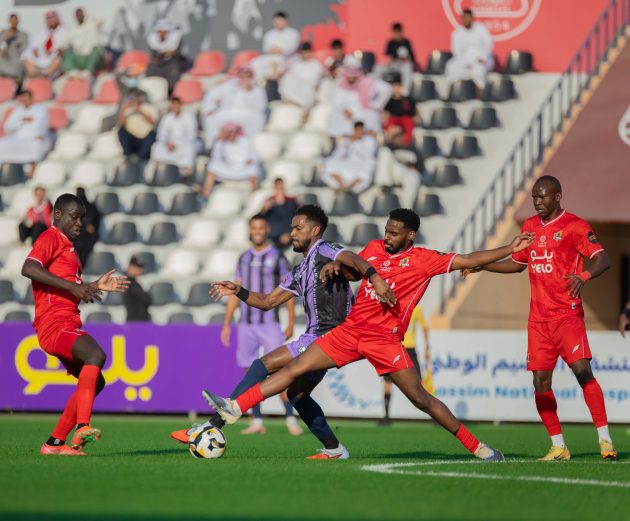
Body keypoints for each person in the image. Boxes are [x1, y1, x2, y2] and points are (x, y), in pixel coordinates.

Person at [204, 208, 536, 462]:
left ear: (410, 235)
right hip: (350, 331)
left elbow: (470, 258)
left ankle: (478, 448)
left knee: (421, 399)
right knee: (294, 369)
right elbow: (354, 268)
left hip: (385, 340)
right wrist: (338, 268)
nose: (387, 237)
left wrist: (509, 247)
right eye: (386, 231)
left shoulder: (424, 260)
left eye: (394, 233)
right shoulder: (375, 247)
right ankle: (236, 407)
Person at [172, 204, 389, 459]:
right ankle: (335, 449)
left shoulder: (325, 249)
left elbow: (352, 258)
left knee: (263, 364)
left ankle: (214, 423)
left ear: (315, 230)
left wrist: (375, 278)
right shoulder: (299, 270)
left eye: (298, 228)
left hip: (330, 335)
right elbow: (267, 302)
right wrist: (238, 290)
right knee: (297, 396)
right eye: (292, 228)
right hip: (314, 336)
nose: (292, 233)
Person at [464, 175, 617, 460]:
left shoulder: (575, 226)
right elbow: (518, 264)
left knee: (583, 372)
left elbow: (603, 259)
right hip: (538, 321)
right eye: (534, 196)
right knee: (540, 383)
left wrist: (583, 276)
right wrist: (483, 266)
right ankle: (559, 446)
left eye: (542, 196)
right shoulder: (530, 227)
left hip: (567, 316)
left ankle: (605, 439)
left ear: (557, 197)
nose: (537, 201)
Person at [21, 193, 130, 456]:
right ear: (58, 214)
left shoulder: (69, 248)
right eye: (75, 217)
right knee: (95, 354)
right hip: (54, 324)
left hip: (66, 323)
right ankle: (83, 426)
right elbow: (29, 268)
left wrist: (92, 286)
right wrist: (75, 288)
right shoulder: (50, 237)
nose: (79, 223)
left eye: (81, 218)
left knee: (96, 382)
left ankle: (54, 443)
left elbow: (68, 289)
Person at [219, 214, 300, 435]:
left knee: (279, 371)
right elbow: (235, 292)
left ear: (266, 230)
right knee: (249, 374)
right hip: (246, 324)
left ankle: (290, 418)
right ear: (250, 230)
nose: (257, 231)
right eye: (254, 228)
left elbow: (288, 289)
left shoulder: (277, 256)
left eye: (261, 228)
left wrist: (291, 320)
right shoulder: (243, 258)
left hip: (270, 323)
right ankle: (256, 420)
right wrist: (227, 323)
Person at [380, 305, 429, 426]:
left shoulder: (416, 308)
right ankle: (386, 416)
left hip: (409, 348)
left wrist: (427, 347)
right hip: (395, 347)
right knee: (388, 382)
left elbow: (424, 327)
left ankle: (434, 415)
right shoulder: (394, 306)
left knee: (418, 382)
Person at [201, 65, 267, 148]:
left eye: (248, 76)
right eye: (242, 76)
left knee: (256, 119)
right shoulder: (228, 85)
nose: (245, 79)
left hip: (249, 114)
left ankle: (251, 147)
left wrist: (249, 92)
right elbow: (212, 96)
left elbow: (260, 107)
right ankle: (213, 145)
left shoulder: (257, 89)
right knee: (211, 117)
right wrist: (209, 109)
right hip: (227, 112)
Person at [327, 58, 391, 137]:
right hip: (346, 117)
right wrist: (344, 110)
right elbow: (336, 101)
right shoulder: (341, 85)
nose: (351, 78)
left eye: (353, 76)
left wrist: (376, 104)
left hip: (363, 115)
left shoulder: (367, 83)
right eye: (349, 76)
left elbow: (387, 89)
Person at [197, 122, 260, 198]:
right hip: (228, 167)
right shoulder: (220, 143)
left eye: (232, 132)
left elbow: (254, 155)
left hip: (243, 167)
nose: (230, 134)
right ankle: (206, 193)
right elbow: (216, 158)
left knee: (253, 168)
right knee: (212, 166)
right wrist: (220, 141)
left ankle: (254, 194)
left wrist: (250, 160)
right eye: (228, 132)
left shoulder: (245, 141)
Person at [0, 90, 51, 173]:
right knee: (2, 143)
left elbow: (43, 124)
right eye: (24, 98)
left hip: (34, 136)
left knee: (36, 145)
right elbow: (7, 126)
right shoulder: (17, 110)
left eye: (27, 98)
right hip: (18, 136)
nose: (25, 100)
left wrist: (40, 134)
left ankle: (30, 171)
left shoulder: (40, 109)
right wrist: (21, 120)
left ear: (31, 98)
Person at [321, 121, 377, 193]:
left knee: (369, 165)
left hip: (360, 162)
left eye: (361, 130)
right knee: (330, 163)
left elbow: (368, 155)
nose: (359, 132)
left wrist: (356, 144)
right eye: (357, 130)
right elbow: (337, 154)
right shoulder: (345, 140)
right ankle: (341, 185)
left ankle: (351, 187)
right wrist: (348, 144)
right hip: (346, 161)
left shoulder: (369, 140)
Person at [445, 9, 494, 90]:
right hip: (464, 60)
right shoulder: (457, 32)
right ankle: (454, 92)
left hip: (481, 58)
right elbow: (456, 50)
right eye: (465, 18)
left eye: (469, 17)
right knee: (451, 66)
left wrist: (483, 57)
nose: (467, 20)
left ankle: (480, 93)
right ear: (462, 19)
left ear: (472, 18)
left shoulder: (481, 29)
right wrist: (465, 62)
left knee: (479, 70)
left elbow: (488, 44)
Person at [150, 97, 199, 177]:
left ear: (181, 105)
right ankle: (159, 174)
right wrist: (166, 144)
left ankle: (185, 174)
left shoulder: (189, 117)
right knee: (156, 147)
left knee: (189, 148)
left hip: (184, 145)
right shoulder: (166, 118)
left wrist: (177, 145)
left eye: (177, 104)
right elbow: (161, 135)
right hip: (169, 146)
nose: (175, 107)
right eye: (173, 105)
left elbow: (192, 136)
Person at [251, 11, 300, 81]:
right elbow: (266, 49)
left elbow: (293, 48)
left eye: (281, 21)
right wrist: (273, 51)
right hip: (272, 57)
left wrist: (281, 51)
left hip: (288, 58)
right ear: (274, 22)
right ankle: (261, 83)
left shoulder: (293, 33)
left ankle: (273, 82)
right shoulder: (269, 34)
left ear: (286, 21)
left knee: (277, 64)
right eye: (277, 21)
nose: (279, 23)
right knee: (255, 62)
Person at [21, 10, 67, 79]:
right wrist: (35, 50)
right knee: (26, 55)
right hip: (41, 56)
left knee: (58, 59)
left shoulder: (64, 31)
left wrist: (54, 50)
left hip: (53, 56)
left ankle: (46, 75)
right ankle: (35, 76)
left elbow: (64, 45)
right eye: (48, 18)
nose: (50, 20)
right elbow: (34, 44)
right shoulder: (42, 31)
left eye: (52, 18)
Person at [279, 41, 325, 109]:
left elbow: (315, 82)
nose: (306, 54)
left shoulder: (316, 65)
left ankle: (302, 104)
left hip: (308, 90)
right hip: (296, 89)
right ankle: (290, 100)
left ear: (311, 52)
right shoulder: (296, 64)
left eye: (308, 52)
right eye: (304, 52)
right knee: (288, 76)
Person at [146, 19, 186, 92]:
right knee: (151, 70)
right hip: (157, 63)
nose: (162, 33)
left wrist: (169, 53)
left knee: (173, 71)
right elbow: (153, 54)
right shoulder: (152, 39)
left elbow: (176, 52)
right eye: (160, 31)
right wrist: (164, 53)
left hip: (171, 61)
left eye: (164, 31)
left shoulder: (176, 38)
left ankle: (170, 91)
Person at [116, 89, 158, 160]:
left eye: (137, 96)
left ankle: (142, 156)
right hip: (132, 137)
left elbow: (152, 122)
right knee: (121, 131)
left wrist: (139, 110)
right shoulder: (128, 109)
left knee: (152, 135)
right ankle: (128, 154)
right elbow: (121, 124)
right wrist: (123, 109)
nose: (134, 99)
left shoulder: (148, 107)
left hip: (145, 137)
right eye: (132, 97)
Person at [60, 8, 102, 76]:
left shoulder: (92, 25)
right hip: (79, 58)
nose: (79, 16)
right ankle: (73, 71)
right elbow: (62, 44)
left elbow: (100, 19)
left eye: (80, 14)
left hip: (91, 57)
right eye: (77, 14)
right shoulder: (73, 31)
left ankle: (88, 71)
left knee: (96, 50)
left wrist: (87, 12)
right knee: (65, 51)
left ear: (84, 14)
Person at [260, 178, 299, 249]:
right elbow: (260, 219)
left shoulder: (292, 202)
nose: (280, 190)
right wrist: (264, 209)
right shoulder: (269, 202)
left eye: (281, 187)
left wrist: (289, 234)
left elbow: (298, 219)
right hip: (272, 238)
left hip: (289, 237)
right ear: (274, 187)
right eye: (278, 187)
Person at [383, 77, 420, 146]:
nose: (396, 89)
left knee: (407, 122)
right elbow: (386, 114)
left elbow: (415, 113)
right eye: (394, 87)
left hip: (405, 119)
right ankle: (389, 142)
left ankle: (406, 142)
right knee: (389, 125)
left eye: (397, 86)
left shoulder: (407, 100)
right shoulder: (388, 101)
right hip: (393, 119)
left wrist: (416, 117)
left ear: (401, 87)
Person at [384, 23, 417, 92]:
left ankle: (405, 91)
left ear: (401, 32)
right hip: (394, 65)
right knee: (378, 68)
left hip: (404, 65)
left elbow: (411, 58)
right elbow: (389, 57)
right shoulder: (391, 42)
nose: (397, 34)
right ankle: (377, 90)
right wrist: (391, 62)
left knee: (407, 67)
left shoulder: (406, 42)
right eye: (395, 32)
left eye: (398, 32)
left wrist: (405, 58)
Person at [73, 188, 101, 267]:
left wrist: (92, 228)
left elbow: (95, 225)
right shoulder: (72, 208)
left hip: (88, 237)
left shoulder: (92, 208)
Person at [0, 13, 28, 84]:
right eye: (11, 20)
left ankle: (16, 84)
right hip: (4, 57)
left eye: (15, 20)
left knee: (20, 65)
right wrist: (6, 39)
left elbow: (24, 49)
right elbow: (1, 46)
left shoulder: (23, 35)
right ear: (9, 21)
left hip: (16, 59)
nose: (13, 22)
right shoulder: (3, 33)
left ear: (18, 21)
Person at [123, 256, 151, 322]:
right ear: (130, 267)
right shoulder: (130, 283)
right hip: (135, 322)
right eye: (136, 267)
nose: (140, 269)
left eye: (140, 267)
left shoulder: (133, 283)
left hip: (138, 321)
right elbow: (146, 299)